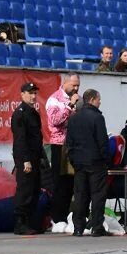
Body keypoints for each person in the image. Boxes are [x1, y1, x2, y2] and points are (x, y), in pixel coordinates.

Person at [66, 89, 112, 237]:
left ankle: (78, 227)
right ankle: (97, 226)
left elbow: (69, 143)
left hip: (79, 163)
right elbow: (102, 142)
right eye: (99, 99)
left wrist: (73, 160)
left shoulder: (73, 118)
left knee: (80, 195)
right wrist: (106, 160)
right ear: (92, 99)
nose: (100, 102)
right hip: (96, 163)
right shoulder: (97, 118)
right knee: (97, 196)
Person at [45, 73, 80, 229]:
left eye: (78, 85)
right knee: (60, 182)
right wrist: (70, 106)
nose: (76, 88)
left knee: (71, 182)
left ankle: (67, 215)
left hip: (74, 144)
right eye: (73, 85)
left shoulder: (77, 99)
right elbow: (55, 121)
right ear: (65, 83)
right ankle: (56, 217)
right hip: (60, 145)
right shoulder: (55, 100)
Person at [10, 81, 45, 235]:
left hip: (35, 156)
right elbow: (20, 139)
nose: (33, 96)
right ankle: (20, 223)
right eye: (30, 93)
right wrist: (25, 160)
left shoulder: (34, 113)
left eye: (35, 93)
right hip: (26, 157)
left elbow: (37, 137)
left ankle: (31, 222)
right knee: (25, 190)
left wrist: (42, 157)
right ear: (22, 94)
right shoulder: (20, 113)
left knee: (35, 189)